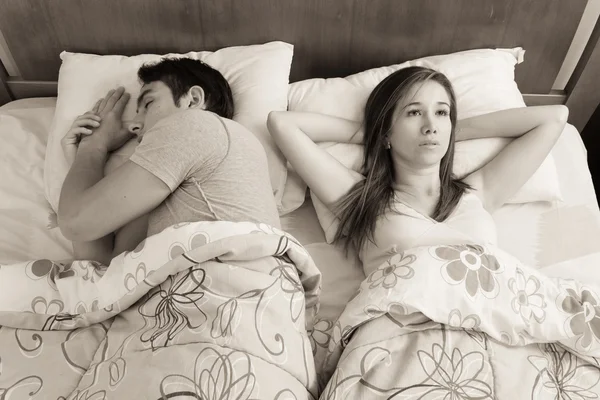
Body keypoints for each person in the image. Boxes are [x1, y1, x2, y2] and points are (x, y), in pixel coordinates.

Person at [267, 66, 568, 276]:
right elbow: (282, 124)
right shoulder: (359, 199)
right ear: (387, 131)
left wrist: (449, 132)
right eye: (413, 113)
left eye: (441, 112)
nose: (430, 125)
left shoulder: (478, 191)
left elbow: (555, 117)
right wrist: (377, 133)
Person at [58, 58, 280, 265]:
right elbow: (103, 269)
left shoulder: (197, 125)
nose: (134, 124)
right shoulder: (173, 188)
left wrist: (94, 147)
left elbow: (75, 223)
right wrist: (89, 150)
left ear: (193, 100)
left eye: (148, 104)